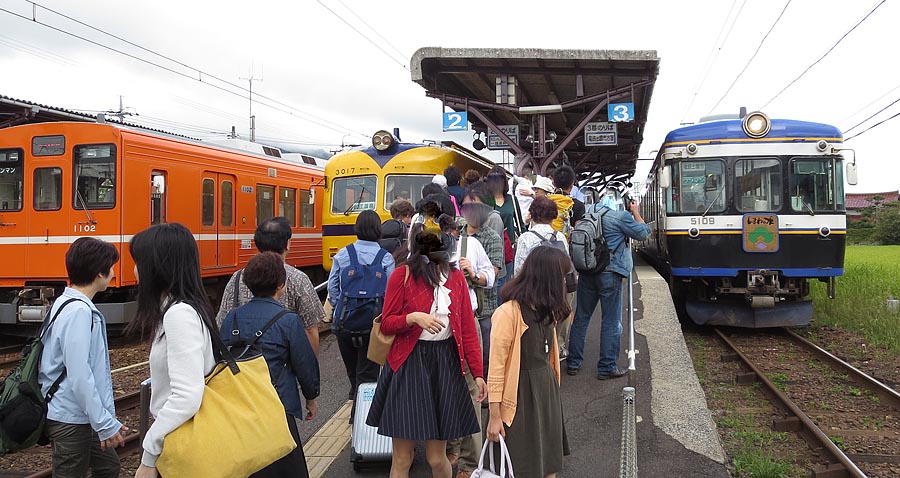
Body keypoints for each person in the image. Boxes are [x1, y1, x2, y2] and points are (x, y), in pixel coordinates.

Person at [366, 215, 486, 478]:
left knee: (436, 457)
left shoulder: (455, 278)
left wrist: (477, 373)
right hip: (408, 363)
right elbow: (387, 323)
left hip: (444, 364)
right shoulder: (402, 275)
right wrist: (412, 318)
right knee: (402, 457)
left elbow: (467, 329)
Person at [129, 224, 218, 478]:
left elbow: (186, 396)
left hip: (181, 443)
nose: (134, 270)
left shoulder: (178, 315)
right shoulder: (185, 308)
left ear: (158, 267)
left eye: (139, 262)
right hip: (181, 437)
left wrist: (149, 456)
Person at [221, 252, 319, 478]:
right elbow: (304, 364)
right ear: (281, 284)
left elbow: (221, 359)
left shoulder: (231, 318)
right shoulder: (288, 320)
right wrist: (311, 398)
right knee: (286, 467)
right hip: (278, 404)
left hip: (242, 403)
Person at [39, 237, 127, 478]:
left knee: (108, 466)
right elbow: (79, 374)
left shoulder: (64, 302)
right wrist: (104, 423)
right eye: (111, 267)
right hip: (70, 416)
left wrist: (102, 419)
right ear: (100, 272)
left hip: (82, 414)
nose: (113, 273)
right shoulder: (79, 311)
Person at [486, 247, 570, 478]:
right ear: (548, 279)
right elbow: (496, 367)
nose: (565, 282)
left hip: (546, 392)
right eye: (562, 276)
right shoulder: (507, 313)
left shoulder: (547, 309)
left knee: (549, 465)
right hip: (518, 397)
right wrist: (494, 417)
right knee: (521, 466)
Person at [566, 194, 650, 379]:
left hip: (587, 272)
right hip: (610, 273)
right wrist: (635, 211)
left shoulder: (588, 215)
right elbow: (644, 233)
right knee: (610, 320)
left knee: (581, 317)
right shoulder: (620, 217)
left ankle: (573, 362)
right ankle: (606, 367)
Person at [216, 217, 325, 355]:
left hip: (244, 364)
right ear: (287, 244)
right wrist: (311, 363)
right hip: (281, 363)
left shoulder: (237, 278)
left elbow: (221, 322)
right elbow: (310, 330)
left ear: (257, 243)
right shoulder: (298, 279)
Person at [327, 210, 395, 421]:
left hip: (344, 324)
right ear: (378, 230)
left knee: (353, 372)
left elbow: (332, 288)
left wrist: (340, 307)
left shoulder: (343, 254)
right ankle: (361, 420)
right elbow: (390, 292)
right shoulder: (386, 258)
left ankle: (357, 407)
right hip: (373, 326)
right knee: (368, 374)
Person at [444, 213, 496, 477]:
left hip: (466, 321)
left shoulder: (471, 245)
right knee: (445, 391)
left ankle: (469, 462)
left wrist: (474, 274)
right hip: (436, 328)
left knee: (472, 388)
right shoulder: (421, 252)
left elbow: (491, 277)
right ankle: (450, 448)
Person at [514, 196, 576, 361]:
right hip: (556, 290)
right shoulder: (560, 237)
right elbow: (566, 266)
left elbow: (518, 271)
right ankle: (555, 355)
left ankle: (539, 358)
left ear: (532, 215)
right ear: (553, 215)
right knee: (553, 327)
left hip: (533, 293)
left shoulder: (526, 238)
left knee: (536, 330)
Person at [460, 186, 503, 379]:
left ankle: (483, 390)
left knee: (483, 357)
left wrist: (473, 274)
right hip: (458, 308)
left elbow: (492, 274)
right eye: (467, 206)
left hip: (483, 310)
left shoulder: (492, 238)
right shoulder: (455, 236)